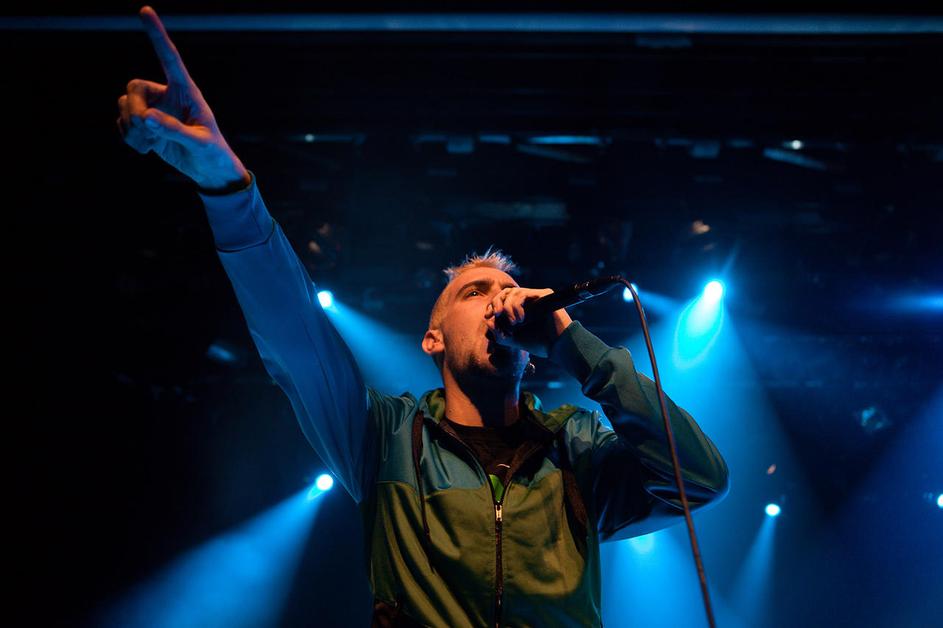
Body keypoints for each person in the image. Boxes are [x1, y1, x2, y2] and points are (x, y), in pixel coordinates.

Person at [118, 7, 730, 626]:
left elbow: (700, 478)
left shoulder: (576, 446)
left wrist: (576, 346)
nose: (499, 300)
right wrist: (228, 188)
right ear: (432, 339)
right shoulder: (383, 439)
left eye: (507, 290)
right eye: (475, 293)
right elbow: (293, 333)